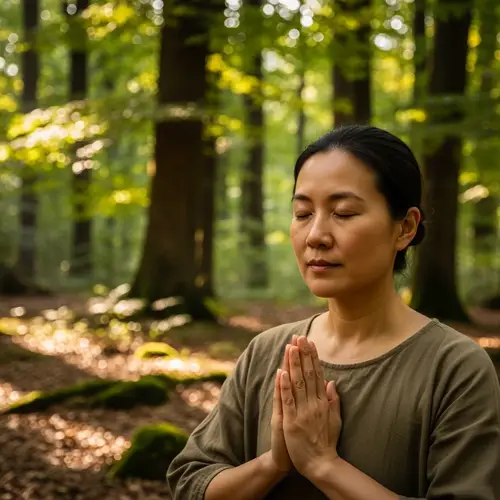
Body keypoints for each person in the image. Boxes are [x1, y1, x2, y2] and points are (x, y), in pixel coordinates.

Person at [166, 125, 500, 499]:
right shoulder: (267, 352)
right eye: (303, 213)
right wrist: (274, 463)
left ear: (405, 227)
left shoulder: (454, 368)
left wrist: (323, 465)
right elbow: (190, 482)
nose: (316, 235)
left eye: (343, 213)